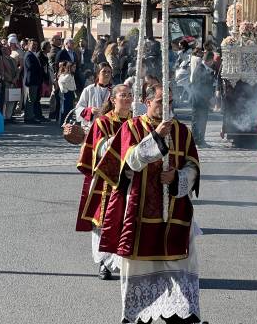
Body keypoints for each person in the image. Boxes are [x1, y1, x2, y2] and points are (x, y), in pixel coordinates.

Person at [96, 85, 204, 324]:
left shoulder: (182, 131)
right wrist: (155, 137)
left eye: (170, 103)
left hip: (174, 213)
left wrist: (177, 177)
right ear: (147, 102)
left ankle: (180, 315)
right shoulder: (132, 127)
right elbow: (129, 164)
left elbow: (193, 166)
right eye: (160, 102)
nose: (166, 108)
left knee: (179, 267)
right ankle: (138, 316)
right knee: (140, 269)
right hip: (139, 211)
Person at [75, 84, 132, 279]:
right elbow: (97, 149)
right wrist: (118, 139)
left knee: (126, 218)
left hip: (130, 177)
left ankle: (124, 260)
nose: (127, 98)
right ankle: (103, 262)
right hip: (106, 178)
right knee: (104, 220)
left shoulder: (136, 121)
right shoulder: (103, 122)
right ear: (113, 99)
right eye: (123, 95)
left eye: (130, 95)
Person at [75, 62, 113, 129]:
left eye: (109, 72)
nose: (107, 74)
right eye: (104, 71)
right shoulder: (89, 89)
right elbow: (78, 109)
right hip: (91, 127)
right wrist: (90, 111)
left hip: (109, 127)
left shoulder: (115, 90)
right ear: (98, 74)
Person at [190, 52, 215, 147]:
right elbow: (200, 87)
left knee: (202, 120)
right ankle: (196, 141)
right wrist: (209, 98)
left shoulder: (204, 68)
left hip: (202, 99)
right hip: (198, 99)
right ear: (210, 60)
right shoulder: (200, 69)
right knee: (197, 120)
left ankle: (201, 140)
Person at [23, 39, 44, 124]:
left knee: (32, 99)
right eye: (33, 44)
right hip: (31, 81)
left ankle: (30, 116)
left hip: (34, 81)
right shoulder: (29, 55)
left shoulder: (33, 54)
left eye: (36, 44)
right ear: (28, 45)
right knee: (30, 100)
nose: (35, 46)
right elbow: (30, 67)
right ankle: (28, 118)